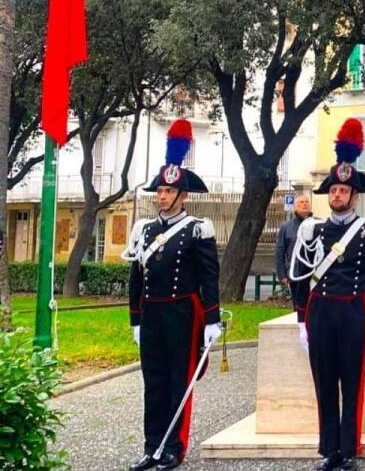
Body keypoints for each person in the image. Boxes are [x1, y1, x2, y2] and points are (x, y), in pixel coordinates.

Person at [290, 119, 365, 470]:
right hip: (320, 311)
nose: (337, 195)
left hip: (354, 310)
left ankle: (348, 449)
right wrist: (301, 320)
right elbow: (301, 278)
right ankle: (329, 449)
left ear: (354, 196)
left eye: (343, 191)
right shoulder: (312, 230)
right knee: (324, 381)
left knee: (352, 381)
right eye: (333, 190)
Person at [123, 119, 222, 471]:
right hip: (152, 313)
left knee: (179, 380)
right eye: (160, 191)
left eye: (168, 192)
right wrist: (135, 320)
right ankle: (152, 447)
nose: (162, 196)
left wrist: (211, 319)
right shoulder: (144, 230)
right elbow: (136, 278)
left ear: (182, 195)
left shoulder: (197, 229)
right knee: (154, 381)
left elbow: (210, 276)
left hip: (183, 312)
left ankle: (173, 448)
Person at [274, 195, 313, 296]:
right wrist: (282, 275)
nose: (305, 204)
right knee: (298, 303)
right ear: (295, 207)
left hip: (315, 274)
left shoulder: (318, 224)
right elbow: (280, 252)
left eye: (306, 202)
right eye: (301, 202)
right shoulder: (286, 227)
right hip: (295, 273)